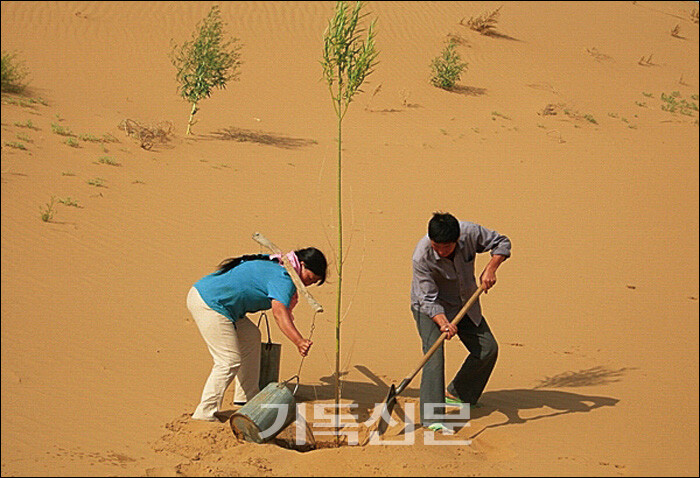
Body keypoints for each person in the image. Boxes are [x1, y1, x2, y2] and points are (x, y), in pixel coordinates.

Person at [187, 247, 328, 422]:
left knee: (251, 336)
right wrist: (299, 341)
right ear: (302, 265)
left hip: (227, 308)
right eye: (310, 278)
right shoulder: (283, 277)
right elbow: (279, 313)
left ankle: (246, 397)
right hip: (209, 303)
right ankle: (205, 413)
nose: (308, 284)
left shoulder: (279, 267)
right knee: (228, 360)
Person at [410, 212, 511, 431]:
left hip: (465, 301)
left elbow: (502, 242)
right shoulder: (422, 256)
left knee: (487, 349)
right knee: (434, 355)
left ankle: (458, 393)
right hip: (429, 308)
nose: (440, 251)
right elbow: (427, 299)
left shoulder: (470, 233)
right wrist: (443, 322)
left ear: (457, 240)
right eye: (436, 245)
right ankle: (432, 418)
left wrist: (491, 268)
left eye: (446, 247)